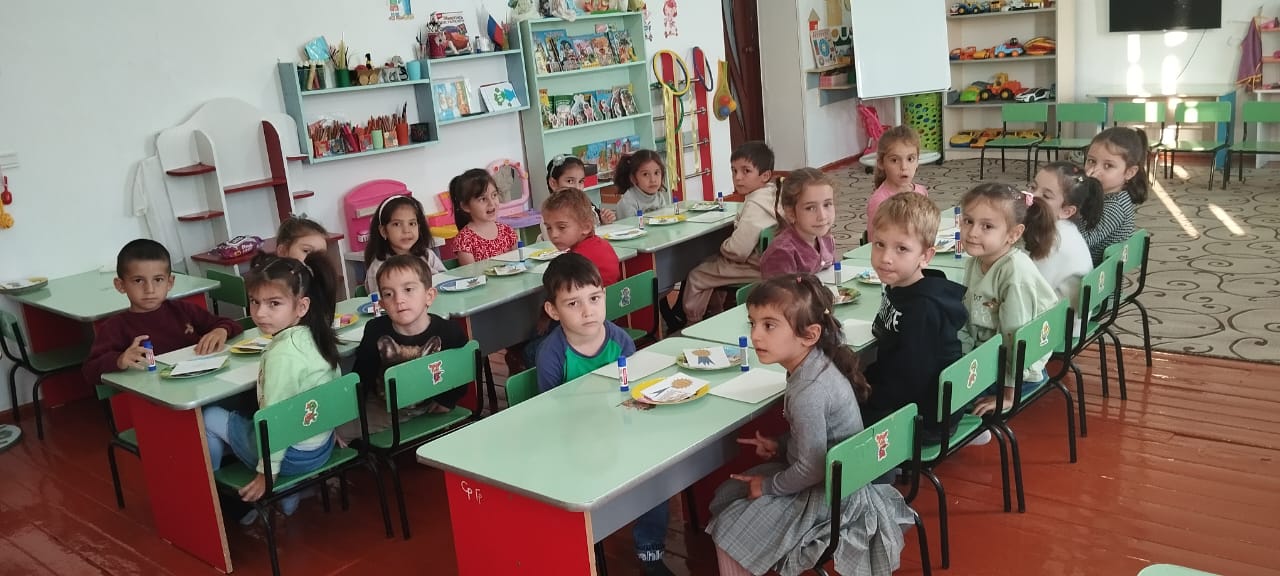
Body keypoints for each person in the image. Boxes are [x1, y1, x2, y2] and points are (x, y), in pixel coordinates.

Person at [706, 275, 914, 576]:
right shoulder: (812, 364)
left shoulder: (810, 390)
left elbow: (812, 469)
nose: (755, 336)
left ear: (810, 335)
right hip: (831, 479)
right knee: (726, 495)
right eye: (752, 323)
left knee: (728, 530)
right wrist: (780, 444)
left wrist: (767, 486)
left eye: (769, 325)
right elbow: (818, 441)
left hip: (830, 495)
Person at [535, 254, 676, 576]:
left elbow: (633, 392)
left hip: (619, 433)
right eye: (573, 303)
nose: (587, 311)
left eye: (594, 298)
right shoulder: (552, 355)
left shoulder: (620, 341)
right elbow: (549, 413)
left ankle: (650, 552)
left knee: (656, 475)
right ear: (553, 311)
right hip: (574, 443)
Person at [202, 253, 341, 523]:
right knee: (248, 413)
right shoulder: (317, 333)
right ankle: (290, 493)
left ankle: (216, 492)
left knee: (208, 416)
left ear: (301, 306)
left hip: (293, 457)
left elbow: (273, 420)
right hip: (322, 445)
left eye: (273, 303)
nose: (259, 313)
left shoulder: (283, 355)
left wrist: (267, 473)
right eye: (255, 301)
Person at [860, 193, 967, 444]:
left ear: (925, 257)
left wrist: (866, 393)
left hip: (923, 420)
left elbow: (910, 381)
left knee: (836, 418)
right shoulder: (900, 283)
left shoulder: (923, 309)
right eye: (879, 244)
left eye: (902, 249)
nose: (886, 258)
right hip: (909, 398)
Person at [957, 184, 1061, 417]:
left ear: (1013, 234)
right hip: (988, 356)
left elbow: (1015, 338)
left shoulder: (1014, 273)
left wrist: (1008, 395)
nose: (972, 232)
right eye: (968, 221)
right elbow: (967, 317)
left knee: (942, 402)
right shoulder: (975, 261)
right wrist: (962, 362)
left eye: (987, 226)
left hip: (1018, 373)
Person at [84, 239, 243, 386]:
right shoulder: (115, 327)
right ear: (120, 285)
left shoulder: (183, 310)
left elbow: (231, 324)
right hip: (154, 397)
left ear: (170, 282)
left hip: (203, 385)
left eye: (158, 279)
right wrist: (119, 360)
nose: (149, 289)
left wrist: (221, 330)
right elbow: (90, 371)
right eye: (138, 280)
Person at [350, 255, 467, 436]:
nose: (399, 300)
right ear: (382, 304)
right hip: (385, 406)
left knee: (339, 432)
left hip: (429, 404)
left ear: (429, 296)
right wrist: (353, 412)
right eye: (388, 294)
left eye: (408, 289)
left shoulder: (449, 331)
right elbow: (362, 375)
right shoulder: (375, 330)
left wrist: (448, 400)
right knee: (337, 430)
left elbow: (463, 368)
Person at [678, 141, 778, 325]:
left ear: (765, 175)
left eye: (746, 171)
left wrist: (723, 246)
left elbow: (738, 251)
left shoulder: (755, 205)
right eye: (734, 171)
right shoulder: (771, 194)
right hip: (766, 263)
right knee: (710, 263)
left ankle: (693, 322)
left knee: (697, 275)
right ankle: (716, 314)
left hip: (754, 267)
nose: (738, 178)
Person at [1030, 162, 1104, 305]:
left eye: (1046, 196)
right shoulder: (1063, 227)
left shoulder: (1053, 240)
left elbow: (1029, 289)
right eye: (1033, 187)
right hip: (1062, 313)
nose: (1033, 196)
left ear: (1066, 211)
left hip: (1054, 317)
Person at [1082, 127, 1149, 264]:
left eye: (1108, 166)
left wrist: (1073, 203)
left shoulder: (1116, 206)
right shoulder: (1103, 194)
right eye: (1091, 161)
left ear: (1129, 172)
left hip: (1093, 273)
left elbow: (1083, 241)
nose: (1095, 170)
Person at [759, 168, 836, 278]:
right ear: (791, 213)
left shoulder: (827, 239)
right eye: (810, 208)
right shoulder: (782, 253)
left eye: (827, 204)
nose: (822, 216)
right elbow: (781, 289)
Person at [364, 195, 447, 295]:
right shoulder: (378, 268)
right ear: (383, 231)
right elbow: (380, 301)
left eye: (412, 224)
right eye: (397, 224)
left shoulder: (427, 255)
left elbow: (446, 282)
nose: (406, 230)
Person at [542, 187, 620, 285]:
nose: (554, 235)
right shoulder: (603, 244)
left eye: (562, 227)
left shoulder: (574, 261)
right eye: (549, 228)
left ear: (586, 227)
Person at [865, 126, 928, 245]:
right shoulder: (880, 201)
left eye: (910, 159)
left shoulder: (921, 192)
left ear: (917, 161)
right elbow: (874, 244)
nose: (904, 167)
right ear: (881, 163)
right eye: (894, 160)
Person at [450, 168, 517, 265]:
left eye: (494, 195)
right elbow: (471, 274)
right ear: (466, 206)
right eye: (483, 199)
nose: (491, 203)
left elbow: (517, 266)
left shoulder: (507, 232)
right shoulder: (465, 241)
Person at [546, 154, 616, 224]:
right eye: (570, 181)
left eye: (580, 181)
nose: (577, 187)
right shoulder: (551, 214)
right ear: (553, 183)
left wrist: (603, 220)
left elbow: (596, 225)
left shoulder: (586, 204)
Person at [613, 149, 672, 219]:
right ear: (633, 178)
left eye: (656, 173)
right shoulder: (628, 202)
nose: (653, 180)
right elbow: (630, 225)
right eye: (645, 174)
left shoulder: (659, 197)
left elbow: (664, 220)